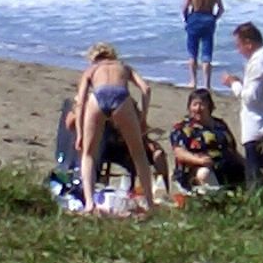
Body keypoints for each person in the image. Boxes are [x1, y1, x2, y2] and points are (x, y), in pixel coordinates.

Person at [72, 43, 158, 210]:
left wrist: (79, 132)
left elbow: (80, 102)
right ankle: (150, 202)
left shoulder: (92, 70)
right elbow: (146, 89)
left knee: (88, 153)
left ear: (93, 58)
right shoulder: (124, 67)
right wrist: (143, 118)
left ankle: (89, 203)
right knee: (138, 154)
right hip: (121, 98)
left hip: (98, 97)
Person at [224, 21, 263, 188]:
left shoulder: (258, 63)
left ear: (248, 43)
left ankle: (258, 207)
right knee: (262, 170)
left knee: (255, 174)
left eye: (239, 45)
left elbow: (251, 98)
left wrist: (234, 84)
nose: (239, 50)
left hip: (257, 124)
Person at [168, 86, 242, 191]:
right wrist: (199, 160)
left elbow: (231, 149)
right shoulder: (183, 128)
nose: (198, 108)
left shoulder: (220, 125)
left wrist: (246, 163)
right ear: (189, 107)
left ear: (209, 106)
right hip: (195, 168)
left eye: (202, 104)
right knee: (204, 173)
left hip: (225, 165)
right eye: (194, 104)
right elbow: (179, 153)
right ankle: (215, 199)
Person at [181, 0, 223, 94]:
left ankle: (193, 81)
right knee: (207, 53)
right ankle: (207, 84)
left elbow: (185, 7)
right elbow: (221, 9)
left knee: (192, 52)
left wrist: (187, 18)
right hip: (209, 18)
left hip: (195, 17)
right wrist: (214, 18)